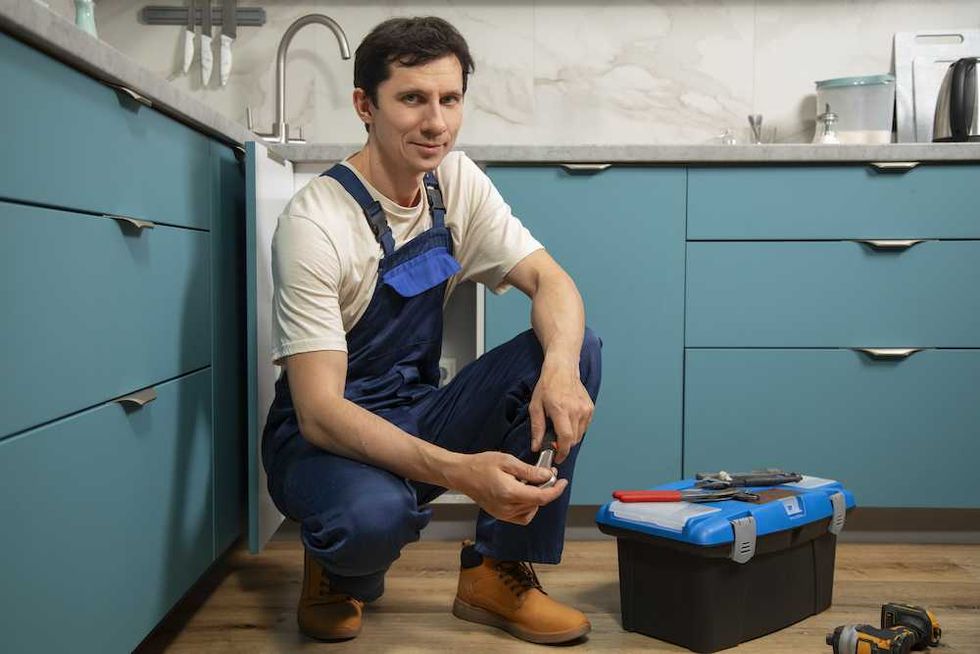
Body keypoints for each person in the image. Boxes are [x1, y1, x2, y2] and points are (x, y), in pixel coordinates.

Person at [261, 15, 602, 645]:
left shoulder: (454, 182)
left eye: (450, 100)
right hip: (323, 439)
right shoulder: (316, 222)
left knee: (575, 350)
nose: (436, 123)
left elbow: (553, 283)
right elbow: (318, 412)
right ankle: (336, 563)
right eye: (412, 99)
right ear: (365, 104)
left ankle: (495, 572)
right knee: (373, 517)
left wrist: (558, 369)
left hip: (414, 410)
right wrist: (459, 471)